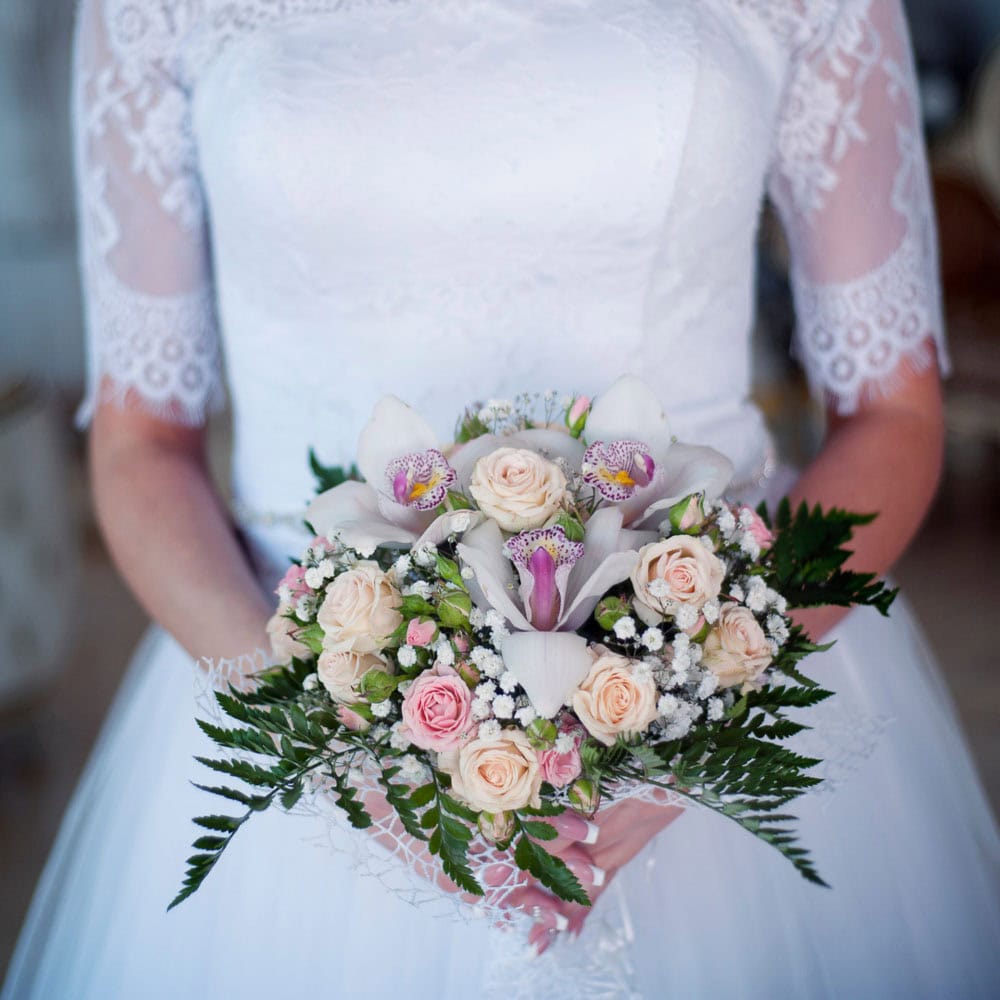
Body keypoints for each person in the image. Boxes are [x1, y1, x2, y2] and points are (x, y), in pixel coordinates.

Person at [5, 0, 1000, 996]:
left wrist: (702, 704)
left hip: (721, 680)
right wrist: (321, 734)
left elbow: (890, 413)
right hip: (297, 693)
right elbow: (141, 446)